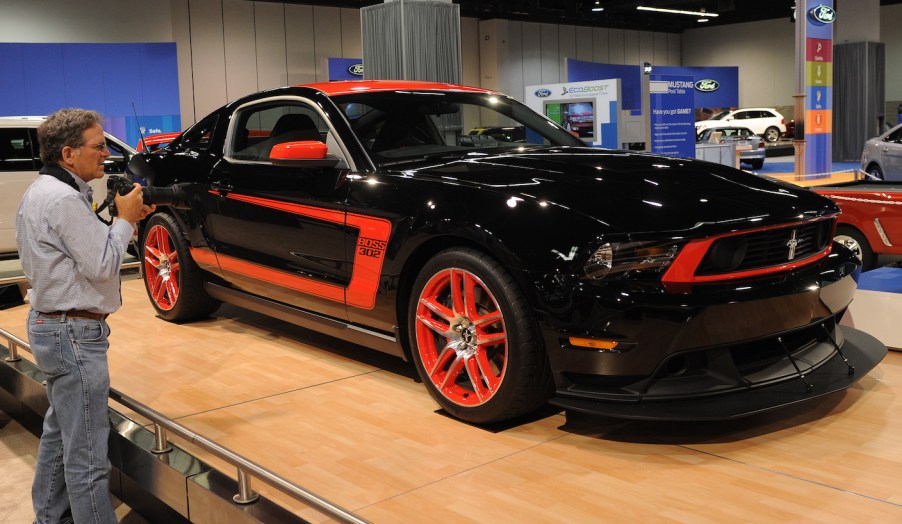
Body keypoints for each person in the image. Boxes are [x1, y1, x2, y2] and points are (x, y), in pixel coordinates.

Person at [15, 108, 155, 523]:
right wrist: (126, 220)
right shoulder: (61, 199)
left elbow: (85, 252)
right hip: (73, 335)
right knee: (88, 456)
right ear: (69, 153)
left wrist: (120, 222)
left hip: (56, 328)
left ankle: (50, 517)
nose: (106, 152)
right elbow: (102, 263)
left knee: (59, 439)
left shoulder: (46, 191)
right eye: (99, 145)